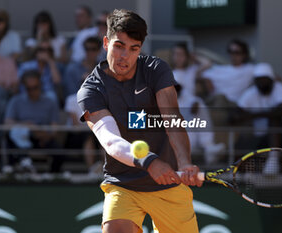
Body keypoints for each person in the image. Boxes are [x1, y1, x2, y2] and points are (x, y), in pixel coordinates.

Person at [77, 9, 201, 233]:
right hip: (124, 186)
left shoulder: (156, 69)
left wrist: (184, 162)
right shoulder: (91, 91)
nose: (125, 56)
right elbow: (112, 142)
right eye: (119, 46)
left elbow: (173, 119)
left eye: (134, 49)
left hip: (170, 185)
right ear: (106, 42)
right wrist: (150, 161)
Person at [4, 70, 63, 173]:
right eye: (28, 89)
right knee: (10, 140)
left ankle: (52, 177)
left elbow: (55, 128)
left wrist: (44, 135)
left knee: (58, 150)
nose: (32, 91)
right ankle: (13, 174)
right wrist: (26, 125)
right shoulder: (16, 101)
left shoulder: (50, 102)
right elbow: (7, 123)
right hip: (22, 137)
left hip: (43, 137)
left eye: (35, 87)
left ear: (40, 85)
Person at [236, 63, 282, 173]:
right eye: (259, 80)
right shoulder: (251, 92)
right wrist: (247, 117)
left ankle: (273, 159)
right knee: (244, 132)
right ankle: (240, 170)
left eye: (264, 79)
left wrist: (253, 115)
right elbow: (235, 114)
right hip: (260, 137)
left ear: (271, 80)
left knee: (274, 120)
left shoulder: (280, 88)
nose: (262, 82)